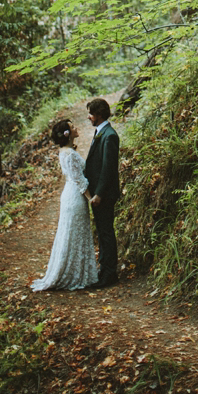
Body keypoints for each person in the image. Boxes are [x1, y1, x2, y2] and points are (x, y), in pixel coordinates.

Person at [31, 119, 98, 292]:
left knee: (74, 233)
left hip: (71, 195)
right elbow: (79, 179)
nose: (76, 128)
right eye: (73, 127)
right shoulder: (68, 154)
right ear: (67, 134)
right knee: (74, 234)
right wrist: (91, 198)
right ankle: (72, 274)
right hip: (75, 197)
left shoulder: (66, 151)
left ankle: (80, 272)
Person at [85, 97, 120, 288]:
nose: (88, 117)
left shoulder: (110, 135)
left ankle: (109, 273)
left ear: (99, 115)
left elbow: (108, 169)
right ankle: (104, 269)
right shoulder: (101, 132)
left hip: (105, 195)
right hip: (100, 193)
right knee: (102, 231)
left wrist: (98, 194)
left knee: (106, 232)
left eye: (91, 113)